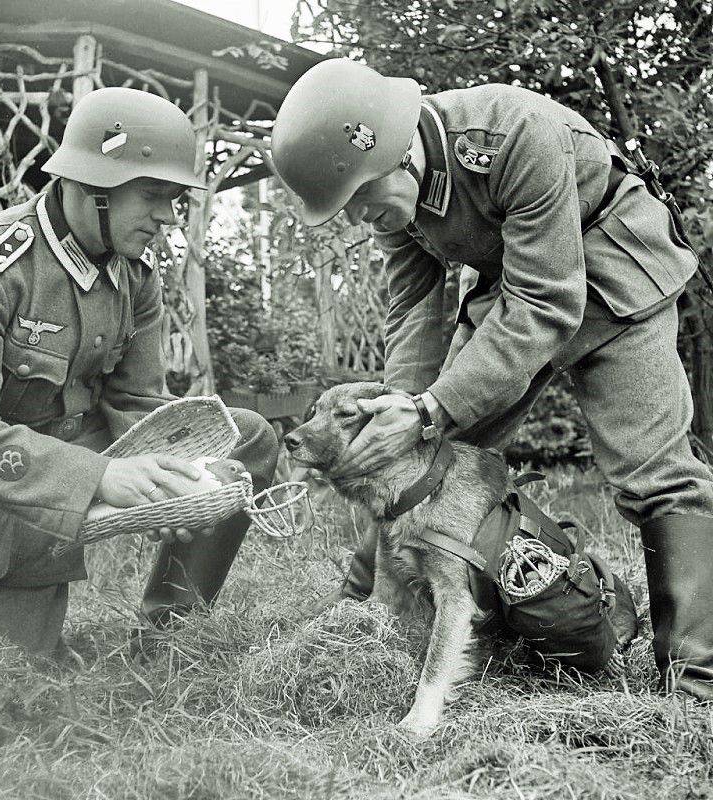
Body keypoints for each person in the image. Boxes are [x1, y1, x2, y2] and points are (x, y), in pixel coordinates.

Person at [271, 58, 713, 700]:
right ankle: (361, 611)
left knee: (655, 471)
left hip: (618, 273)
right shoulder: (394, 205)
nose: (358, 220)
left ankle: (697, 681)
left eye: (360, 200)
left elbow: (548, 302)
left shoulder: (515, 135)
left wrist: (432, 411)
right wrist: (403, 413)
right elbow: (413, 310)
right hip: (517, 290)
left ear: (396, 155)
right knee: (422, 456)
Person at [0, 87, 278, 657]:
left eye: (176, 198)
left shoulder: (135, 276)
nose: (167, 218)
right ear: (92, 188)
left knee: (246, 436)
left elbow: (137, 401)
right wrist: (98, 480)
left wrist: (169, 486)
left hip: (88, 448)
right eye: (153, 195)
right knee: (10, 689)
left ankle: (169, 630)